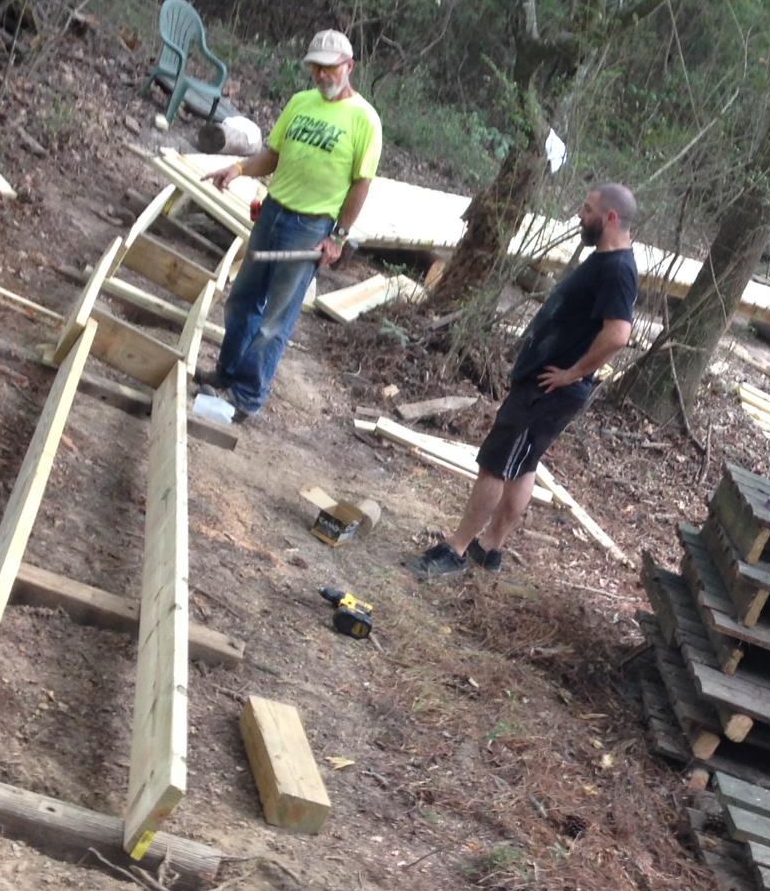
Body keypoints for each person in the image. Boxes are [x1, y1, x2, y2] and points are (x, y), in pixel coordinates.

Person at [412, 183, 639, 577]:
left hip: (549, 388)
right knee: (523, 462)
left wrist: (573, 373)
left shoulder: (618, 268)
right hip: (547, 384)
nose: (579, 216)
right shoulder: (605, 260)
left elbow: (619, 334)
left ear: (611, 218)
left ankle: (457, 549)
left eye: (587, 210)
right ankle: (490, 550)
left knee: (496, 465)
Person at [197, 29, 381, 422]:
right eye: (315, 67)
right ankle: (226, 373)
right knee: (243, 300)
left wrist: (338, 236)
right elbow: (274, 155)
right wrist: (240, 167)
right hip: (274, 211)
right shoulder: (300, 103)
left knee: (275, 319)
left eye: (329, 68)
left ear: (349, 67)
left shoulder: (364, 120)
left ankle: (246, 397)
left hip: (311, 227)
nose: (321, 75)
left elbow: (361, 184)